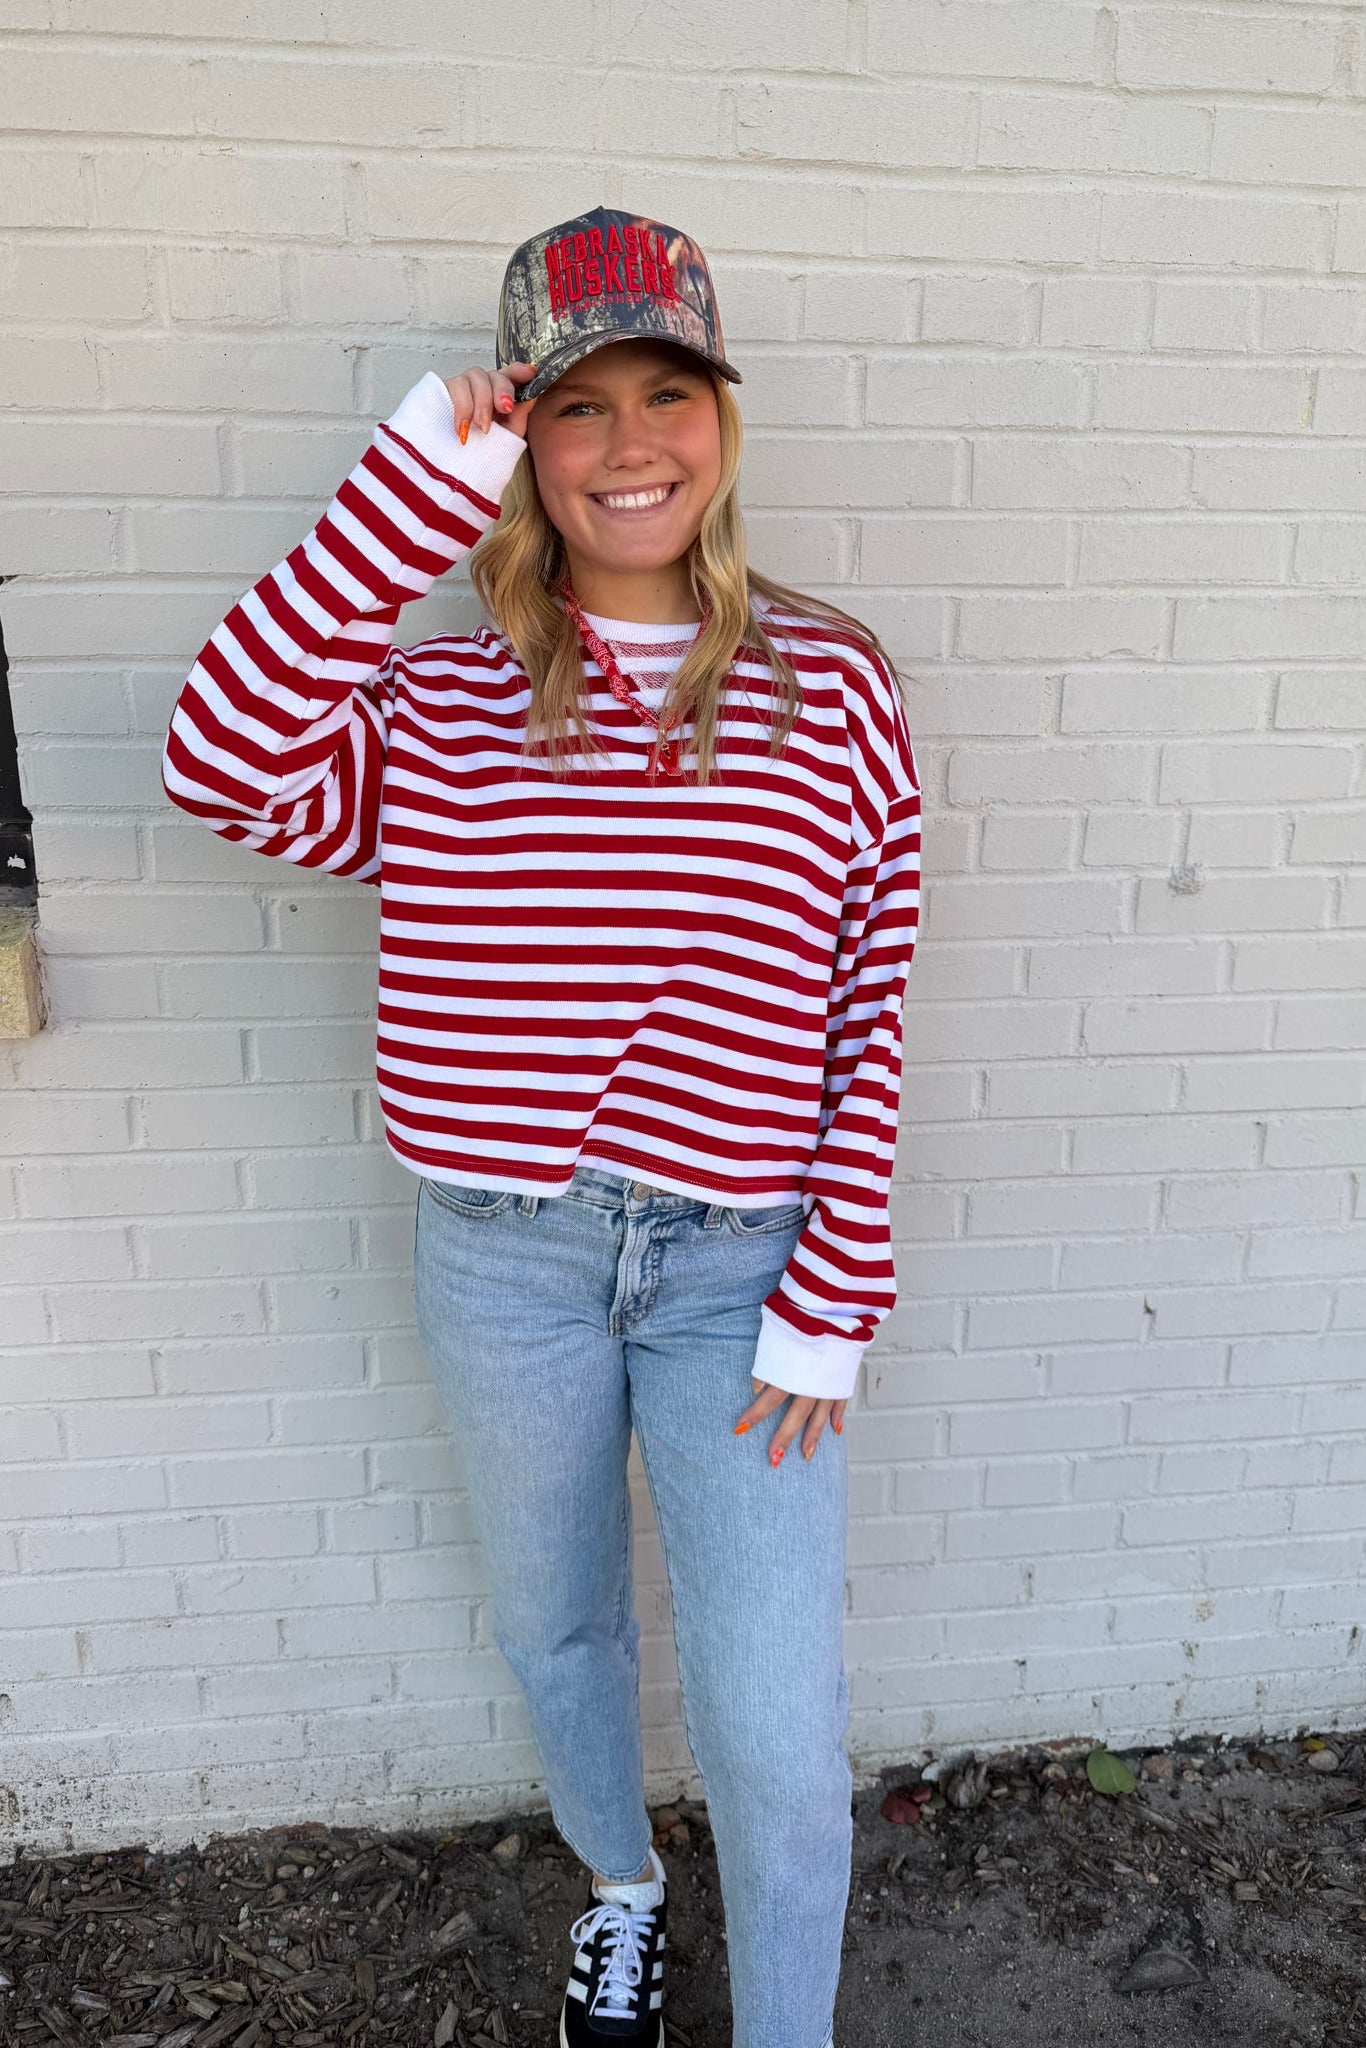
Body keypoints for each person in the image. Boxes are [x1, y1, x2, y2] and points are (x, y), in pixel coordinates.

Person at [162, 204, 922, 2048]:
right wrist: (421, 482)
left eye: (671, 395)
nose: (632, 443)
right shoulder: (434, 702)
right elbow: (217, 758)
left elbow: (867, 999)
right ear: (525, 442)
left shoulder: (831, 689)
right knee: (557, 1626)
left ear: (723, 424)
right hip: (501, 1262)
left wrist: (835, 1283)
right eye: (578, 408)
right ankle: (623, 1889)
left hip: (740, 1274)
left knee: (768, 1712)